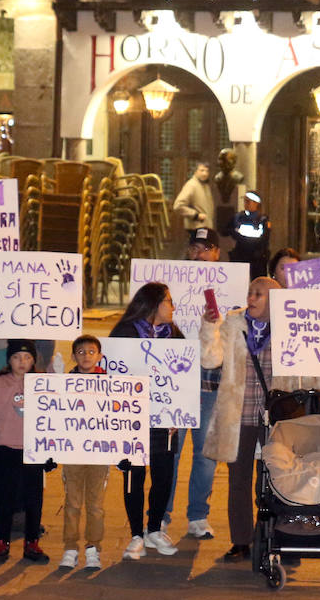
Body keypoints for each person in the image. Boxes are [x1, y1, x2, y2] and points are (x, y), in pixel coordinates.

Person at [200, 277, 320, 561]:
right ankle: (241, 541)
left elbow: (304, 372)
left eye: (259, 295)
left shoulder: (291, 327)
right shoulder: (232, 323)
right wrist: (209, 327)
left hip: (278, 418)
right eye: (250, 292)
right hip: (238, 416)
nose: (251, 298)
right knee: (238, 481)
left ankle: (274, 535)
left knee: (279, 478)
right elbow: (210, 359)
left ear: (275, 302)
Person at [108, 283, 183, 559]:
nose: (173, 307)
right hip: (132, 418)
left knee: (164, 474)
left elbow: (183, 377)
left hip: (165, 420)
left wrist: (180, 409)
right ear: (154, 304)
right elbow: (112, 373)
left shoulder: (174, 335)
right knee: (134, 476)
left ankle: (154, 529)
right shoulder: (125, 334)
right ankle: (136, 534)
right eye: (169, 301)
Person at [0, 339, 50, 564]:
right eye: (16, 357)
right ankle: (2, 542)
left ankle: (31, 541)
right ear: (9, 360)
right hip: (7, 448)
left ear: (34, 360)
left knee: (34, 498)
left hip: (34, 448)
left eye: (27, 357)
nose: (22, 362)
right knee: (6, 498)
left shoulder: (43, 382)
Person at [182, 231, 225, 541]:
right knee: (169, 452)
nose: (198, 254)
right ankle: (160, 516)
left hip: (210, 380)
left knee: (205, 452)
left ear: (217, 254)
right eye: (194, 248)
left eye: (205, 249)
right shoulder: (172, 283)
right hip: (174, 376)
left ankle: (198, 515)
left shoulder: (230, 286)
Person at [59, 335, 111, 570]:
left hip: (99, 454)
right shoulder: (65, 383)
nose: (86, 356)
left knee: (96, 504)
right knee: (72, 503)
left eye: (91, 352)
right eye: (81, 352)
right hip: (73, 452)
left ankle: (93, 548)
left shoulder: (111, 384)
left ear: (99, 356)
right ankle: (70, 547)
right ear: (73, 356)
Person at [228, 191, 270, 279]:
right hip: (241, 254)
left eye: (248, 201)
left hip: (257, 257)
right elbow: (226, 230)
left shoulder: (263, 219)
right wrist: (236, 234)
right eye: (245, 201)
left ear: (256, 203)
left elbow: (265, 238)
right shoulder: (238, 217)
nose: (245, 204)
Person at [172, 162, 216, 238]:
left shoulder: (205, 186)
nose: (204, 173)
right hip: (197, 226)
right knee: (199, 247)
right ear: (195, 172)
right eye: (202, 170)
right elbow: (178, 206)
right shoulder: (191, 185)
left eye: (206, 171)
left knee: (203, 248)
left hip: (205, 226)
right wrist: (196, 215)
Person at [211, 147, 247, 235]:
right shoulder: (217, 178)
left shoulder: (238, 178)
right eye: (220, 159)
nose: (221, 163)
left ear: (233, 161)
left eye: (224, 160)